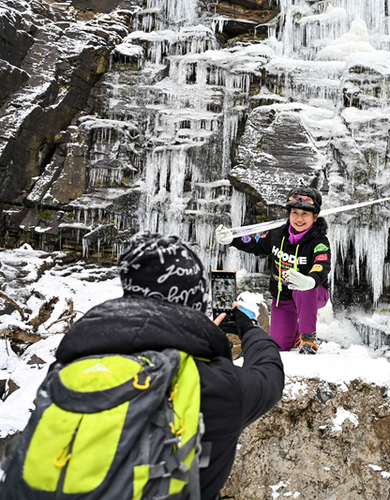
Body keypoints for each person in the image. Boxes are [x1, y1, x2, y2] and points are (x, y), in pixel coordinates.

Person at [54, 233, 284, 500]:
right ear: (195, 299)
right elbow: (270, 374)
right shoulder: (217, 387)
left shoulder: (69, 369)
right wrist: (249, 328)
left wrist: (196, 335)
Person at [215, 186, 331, 355]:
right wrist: (232, 239)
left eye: (305, 214)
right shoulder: (277, 234)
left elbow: (322, 263)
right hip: (282, 299)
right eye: (295, 213)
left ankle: (308, 337)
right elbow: (254, 242)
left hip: (313, 293)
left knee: (302, 288)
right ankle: (296, 333)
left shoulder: (319, 241)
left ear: (314, 217)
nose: (299, 218)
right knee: (279, 346)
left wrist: (310, 280)